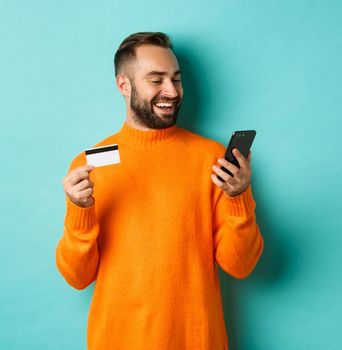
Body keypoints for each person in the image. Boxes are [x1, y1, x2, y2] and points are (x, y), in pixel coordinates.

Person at [55, 32, 264, 350]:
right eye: (156, 80)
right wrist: (79, 209)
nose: (172, 91)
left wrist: (238, 197)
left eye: (176, 79)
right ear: (124, 86)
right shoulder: (90, 164)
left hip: (197, 340)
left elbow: (241, 265)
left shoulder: (211, 159)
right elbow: (77, 277)